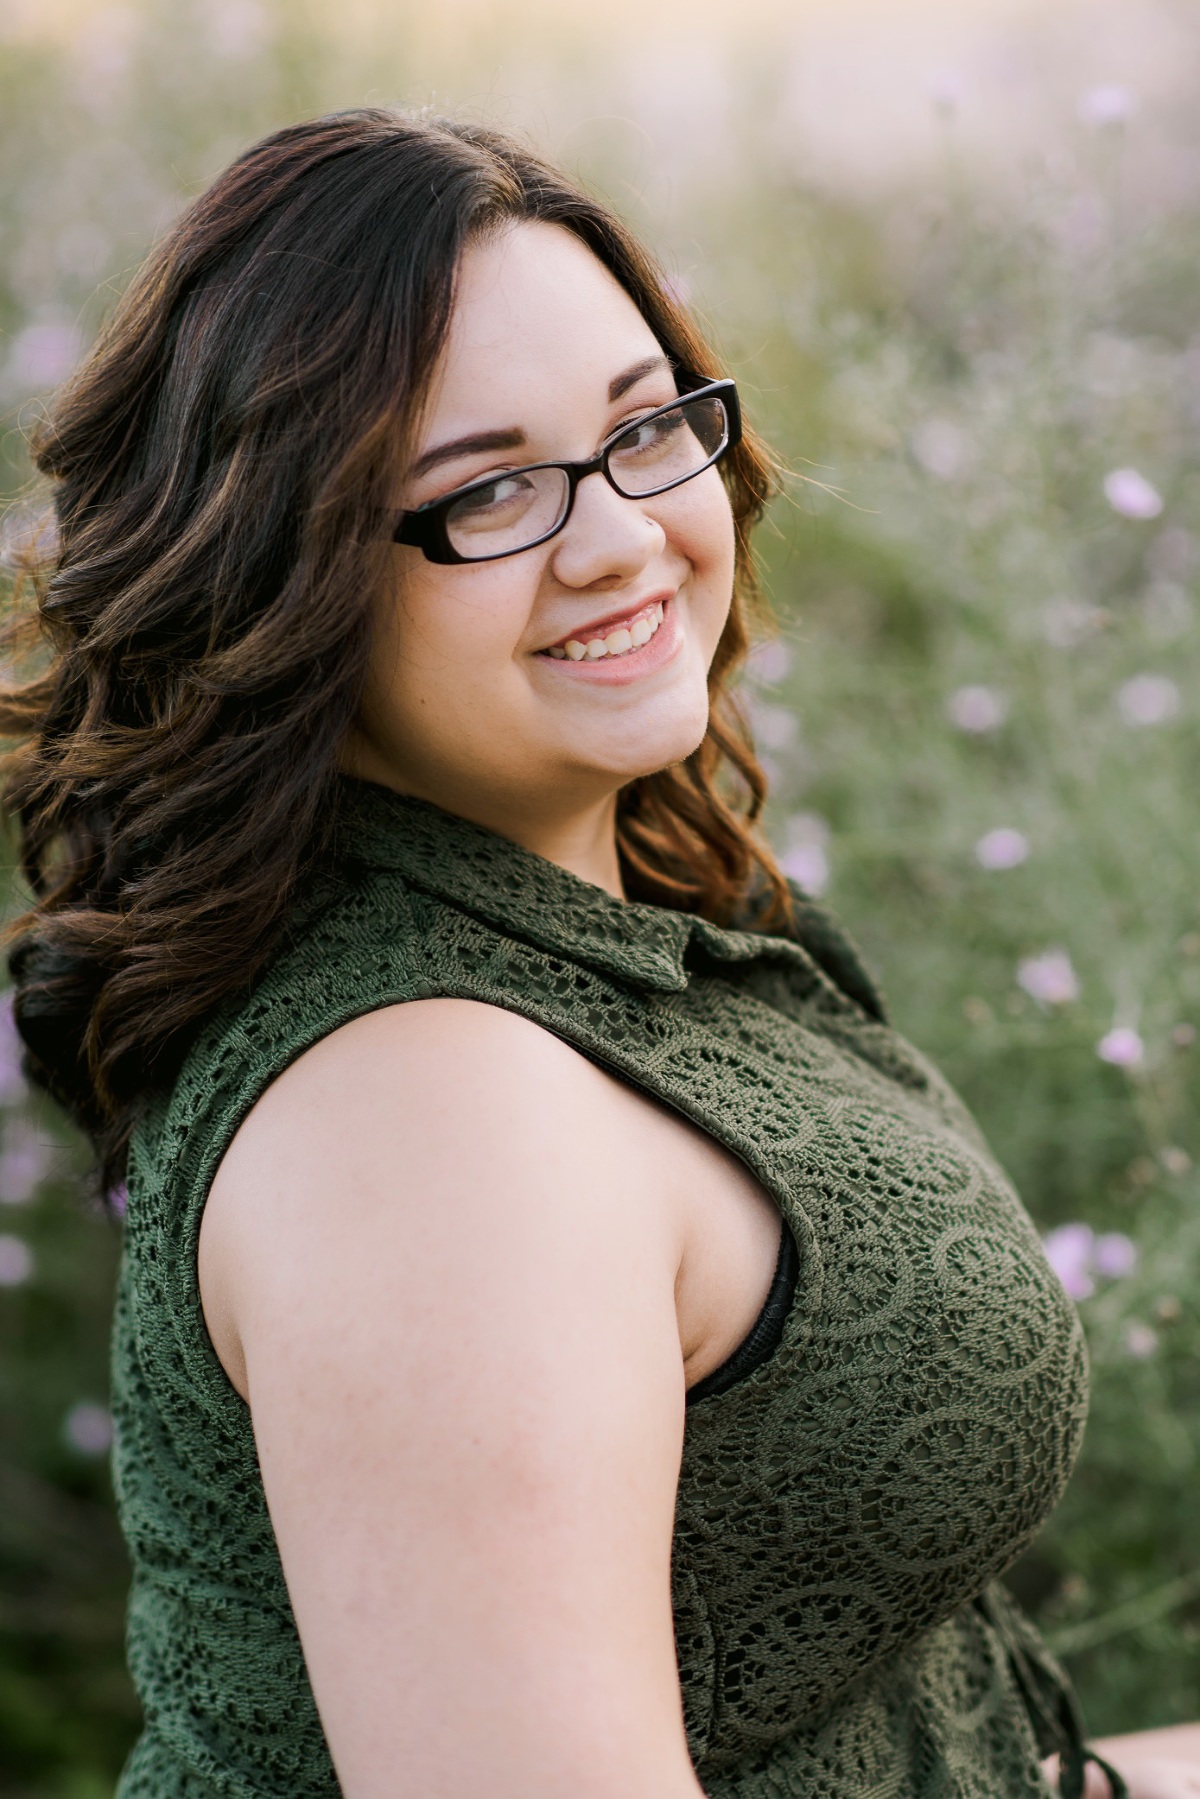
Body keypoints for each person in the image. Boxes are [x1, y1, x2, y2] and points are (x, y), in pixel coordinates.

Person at [2, 107, 1197, 1799]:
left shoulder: (597, 928)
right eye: (486, 490)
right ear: (286, 580)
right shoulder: (425, 1118)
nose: (624, 536)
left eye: (648, 430)